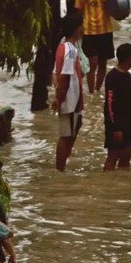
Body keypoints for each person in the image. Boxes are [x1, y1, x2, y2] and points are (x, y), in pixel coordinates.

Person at [51, 13, 85, 171]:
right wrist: (59, 98)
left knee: (74, 128)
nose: (83, 29)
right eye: (81, 26)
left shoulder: (63, 46)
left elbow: (55, 74)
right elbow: (64, 76)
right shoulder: (70, 50)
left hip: (71, 98)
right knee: (66, 135)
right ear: (76, 29)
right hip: (70, 100)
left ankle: (63, 163)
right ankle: (60, 170)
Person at [74, 0, 115, 93]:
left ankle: (97, 91)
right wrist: (79, 30)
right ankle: (91, 92)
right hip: (89, 32)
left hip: (106, 30)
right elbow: (78, 11)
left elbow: (115, 10)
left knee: (103, 64)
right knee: (92, 63)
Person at [103, 43, 131, 171]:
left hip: (129, 122)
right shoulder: (113, 77)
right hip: (117, 124)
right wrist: (115, 128)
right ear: (128, 58)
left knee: (126, 156)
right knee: (112, 157)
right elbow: (110, 105)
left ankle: (123, 181)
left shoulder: (128, 75)